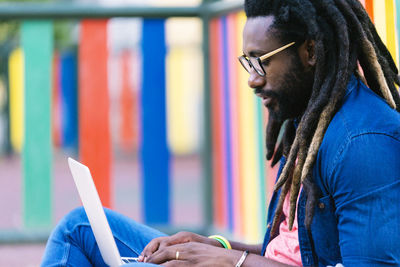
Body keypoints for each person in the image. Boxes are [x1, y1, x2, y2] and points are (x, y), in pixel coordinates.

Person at [41, 0, 400, 266]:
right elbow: (291, 254)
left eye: (262, 60)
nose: (252, 78)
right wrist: (219, 247)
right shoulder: (310, 123)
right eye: (247, 62)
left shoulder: (363, 145)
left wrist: (233, 264)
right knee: (81, 228)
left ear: (310, 51)